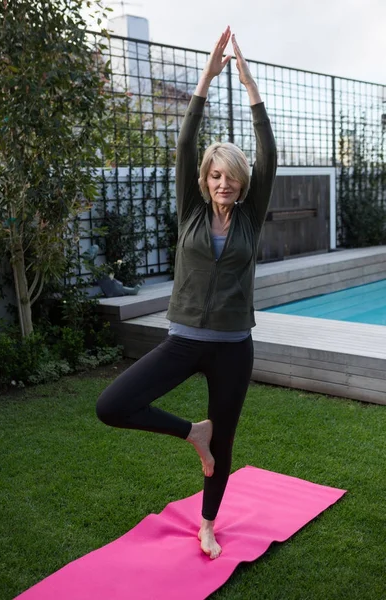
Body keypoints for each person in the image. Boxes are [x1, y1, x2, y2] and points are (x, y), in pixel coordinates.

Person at [96, 26, 277, 560]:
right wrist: (206, 77)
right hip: (183, 340)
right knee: (113, 404)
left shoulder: (249, 219)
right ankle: (188, 432)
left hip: (232, 347)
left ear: (243, 184)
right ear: (205, 179)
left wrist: (248, 85)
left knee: (225, 442)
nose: (224, 183)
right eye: (216, 175)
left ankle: (207, 523)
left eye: (233, 177)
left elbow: (267, 148)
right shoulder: (191, 211)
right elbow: (184, 142)